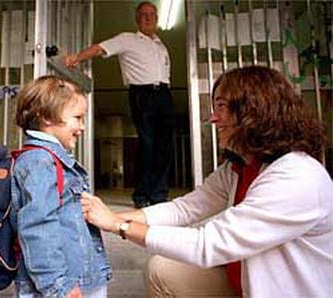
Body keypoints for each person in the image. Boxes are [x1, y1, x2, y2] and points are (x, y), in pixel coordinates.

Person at [80, 66, 333, 297]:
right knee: (163, 269)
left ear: (254, 109)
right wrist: (108, 216)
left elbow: (206, 244)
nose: (213, 118)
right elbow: (185, 208)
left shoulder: (296, 178)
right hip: (246, 281)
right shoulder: (239, 167)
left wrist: (118, 226)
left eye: (221, 106)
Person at [65, 1, 175, 208]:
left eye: (152, 14)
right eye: (144, 15)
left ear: (157, 19)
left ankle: (159, 195)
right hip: (142, 94)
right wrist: (77, 58)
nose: (149, 18)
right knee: (148, 143)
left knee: (165, 146)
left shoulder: (162, 46)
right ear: (137, 19)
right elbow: (100, 49)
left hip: (164, 94)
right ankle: (141, 195)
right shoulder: (127, 39)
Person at [11, 75, 111, 298]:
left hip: (79, 278)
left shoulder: (49, 159)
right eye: (77, 117)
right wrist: (57, 286)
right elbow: (37, 227)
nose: (82, 127)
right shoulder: (40, 162)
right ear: (47, 117)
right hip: (66, 286)